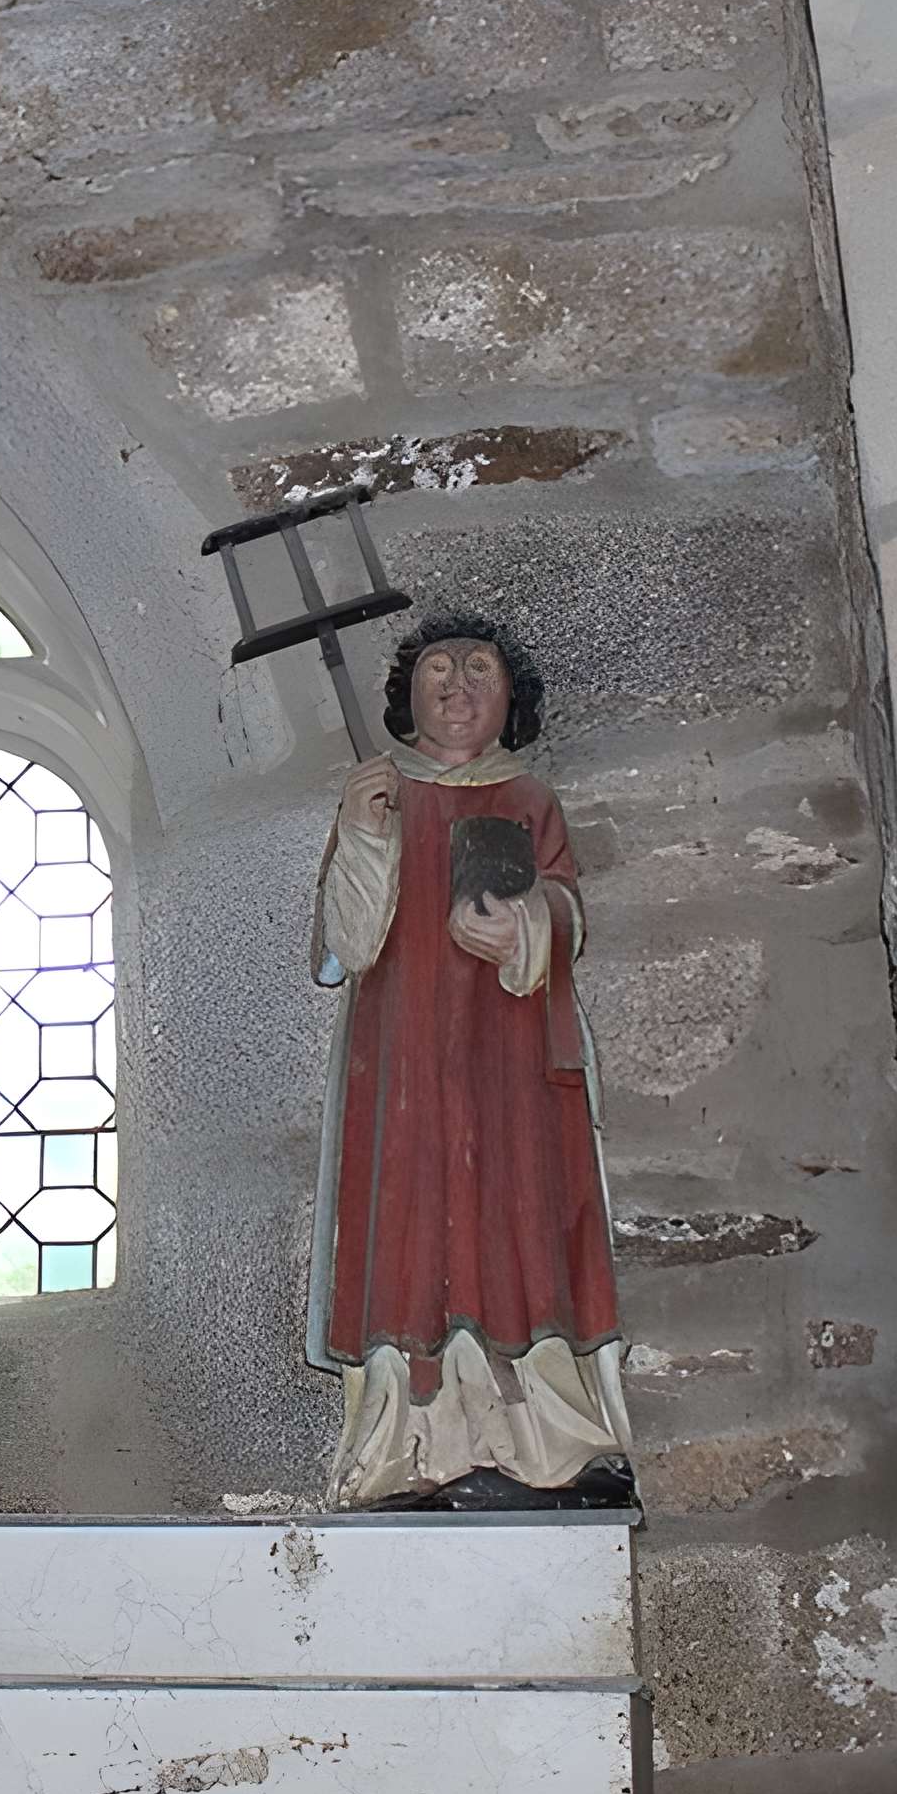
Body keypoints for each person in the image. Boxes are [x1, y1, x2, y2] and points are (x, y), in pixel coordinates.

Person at [308, 614, 632, 1511]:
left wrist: (525, 926)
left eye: (479, 670)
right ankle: (409, 1448)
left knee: (521, 1217)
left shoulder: (529, 800)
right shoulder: (377, 794)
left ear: (510, 701)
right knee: (408, 1229)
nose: (456, 686)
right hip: (404, 1057)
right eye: (438, 671)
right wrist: (364, 837)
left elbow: (567, 910)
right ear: (408, 696)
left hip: (511, 1060)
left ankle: (548, 1440)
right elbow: (342, 950)